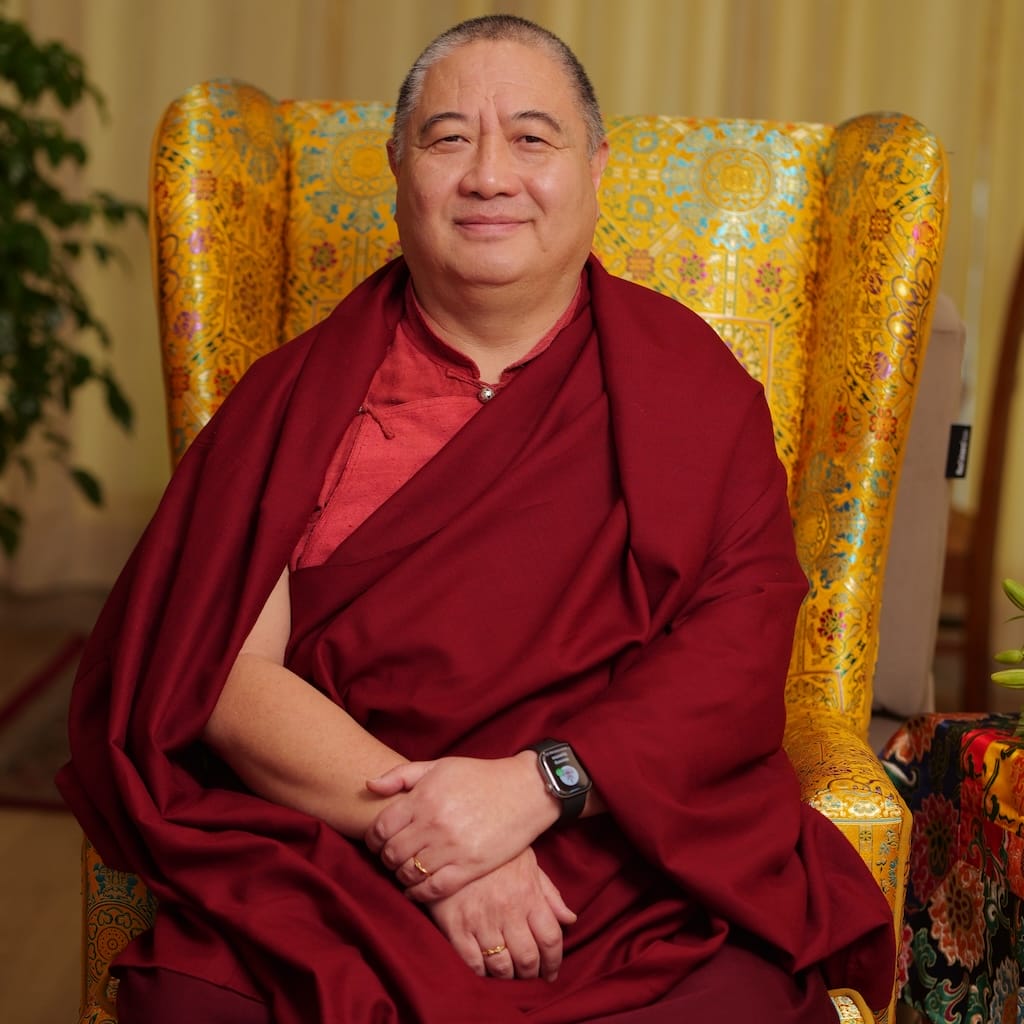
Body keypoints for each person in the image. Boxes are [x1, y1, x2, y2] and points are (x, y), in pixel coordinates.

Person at [58, 14, 895, 1024]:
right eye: (449, 138)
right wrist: (441, 842)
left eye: (532, 139)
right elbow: (225, 673)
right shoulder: (292, 402)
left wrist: (539, 786)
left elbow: (737, 650)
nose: (490, 176)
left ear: (595, 167)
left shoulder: (692, 388)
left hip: (624, 855)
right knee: (196, 1006)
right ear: (398, 168)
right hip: (339, 858)